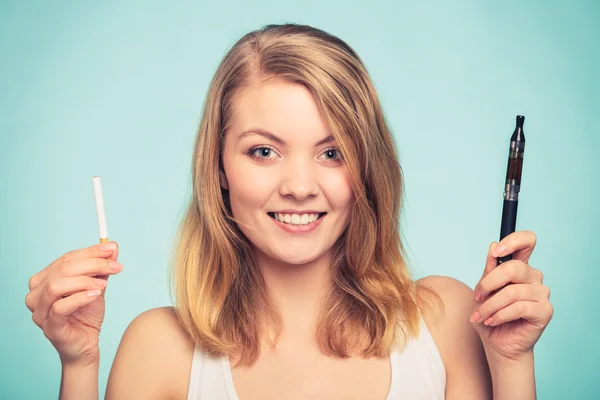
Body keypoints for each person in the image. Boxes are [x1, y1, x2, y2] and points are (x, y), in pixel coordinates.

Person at [26, 23, 553, 399]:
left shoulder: (445, 322)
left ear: (366, 169)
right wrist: (79, 366)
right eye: (264, 151)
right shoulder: (159, 349)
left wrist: (510, 364)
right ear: (218, 168)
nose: (300, 187)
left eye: (332, 153)